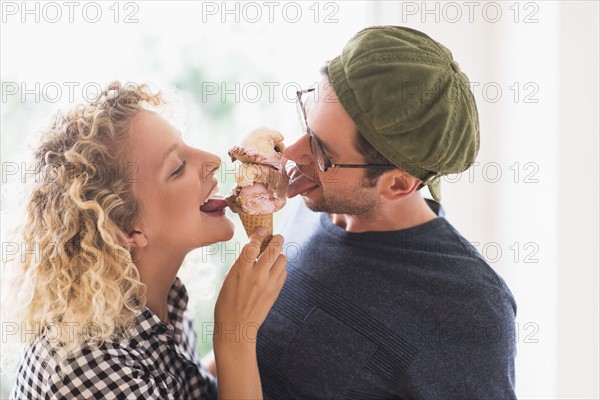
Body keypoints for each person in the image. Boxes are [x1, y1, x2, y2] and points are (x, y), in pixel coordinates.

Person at [256, 26, 517, 398]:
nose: (292, 154)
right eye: (306, 118)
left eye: (322, 153)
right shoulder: (315, 203)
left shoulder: (468, 309)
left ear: (398, 184)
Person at [2, 82, 287, 399]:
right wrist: (234, 338)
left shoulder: (160, 301)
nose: (213, 160)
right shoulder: (84, 369)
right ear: (126, 232)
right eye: (178, 167)